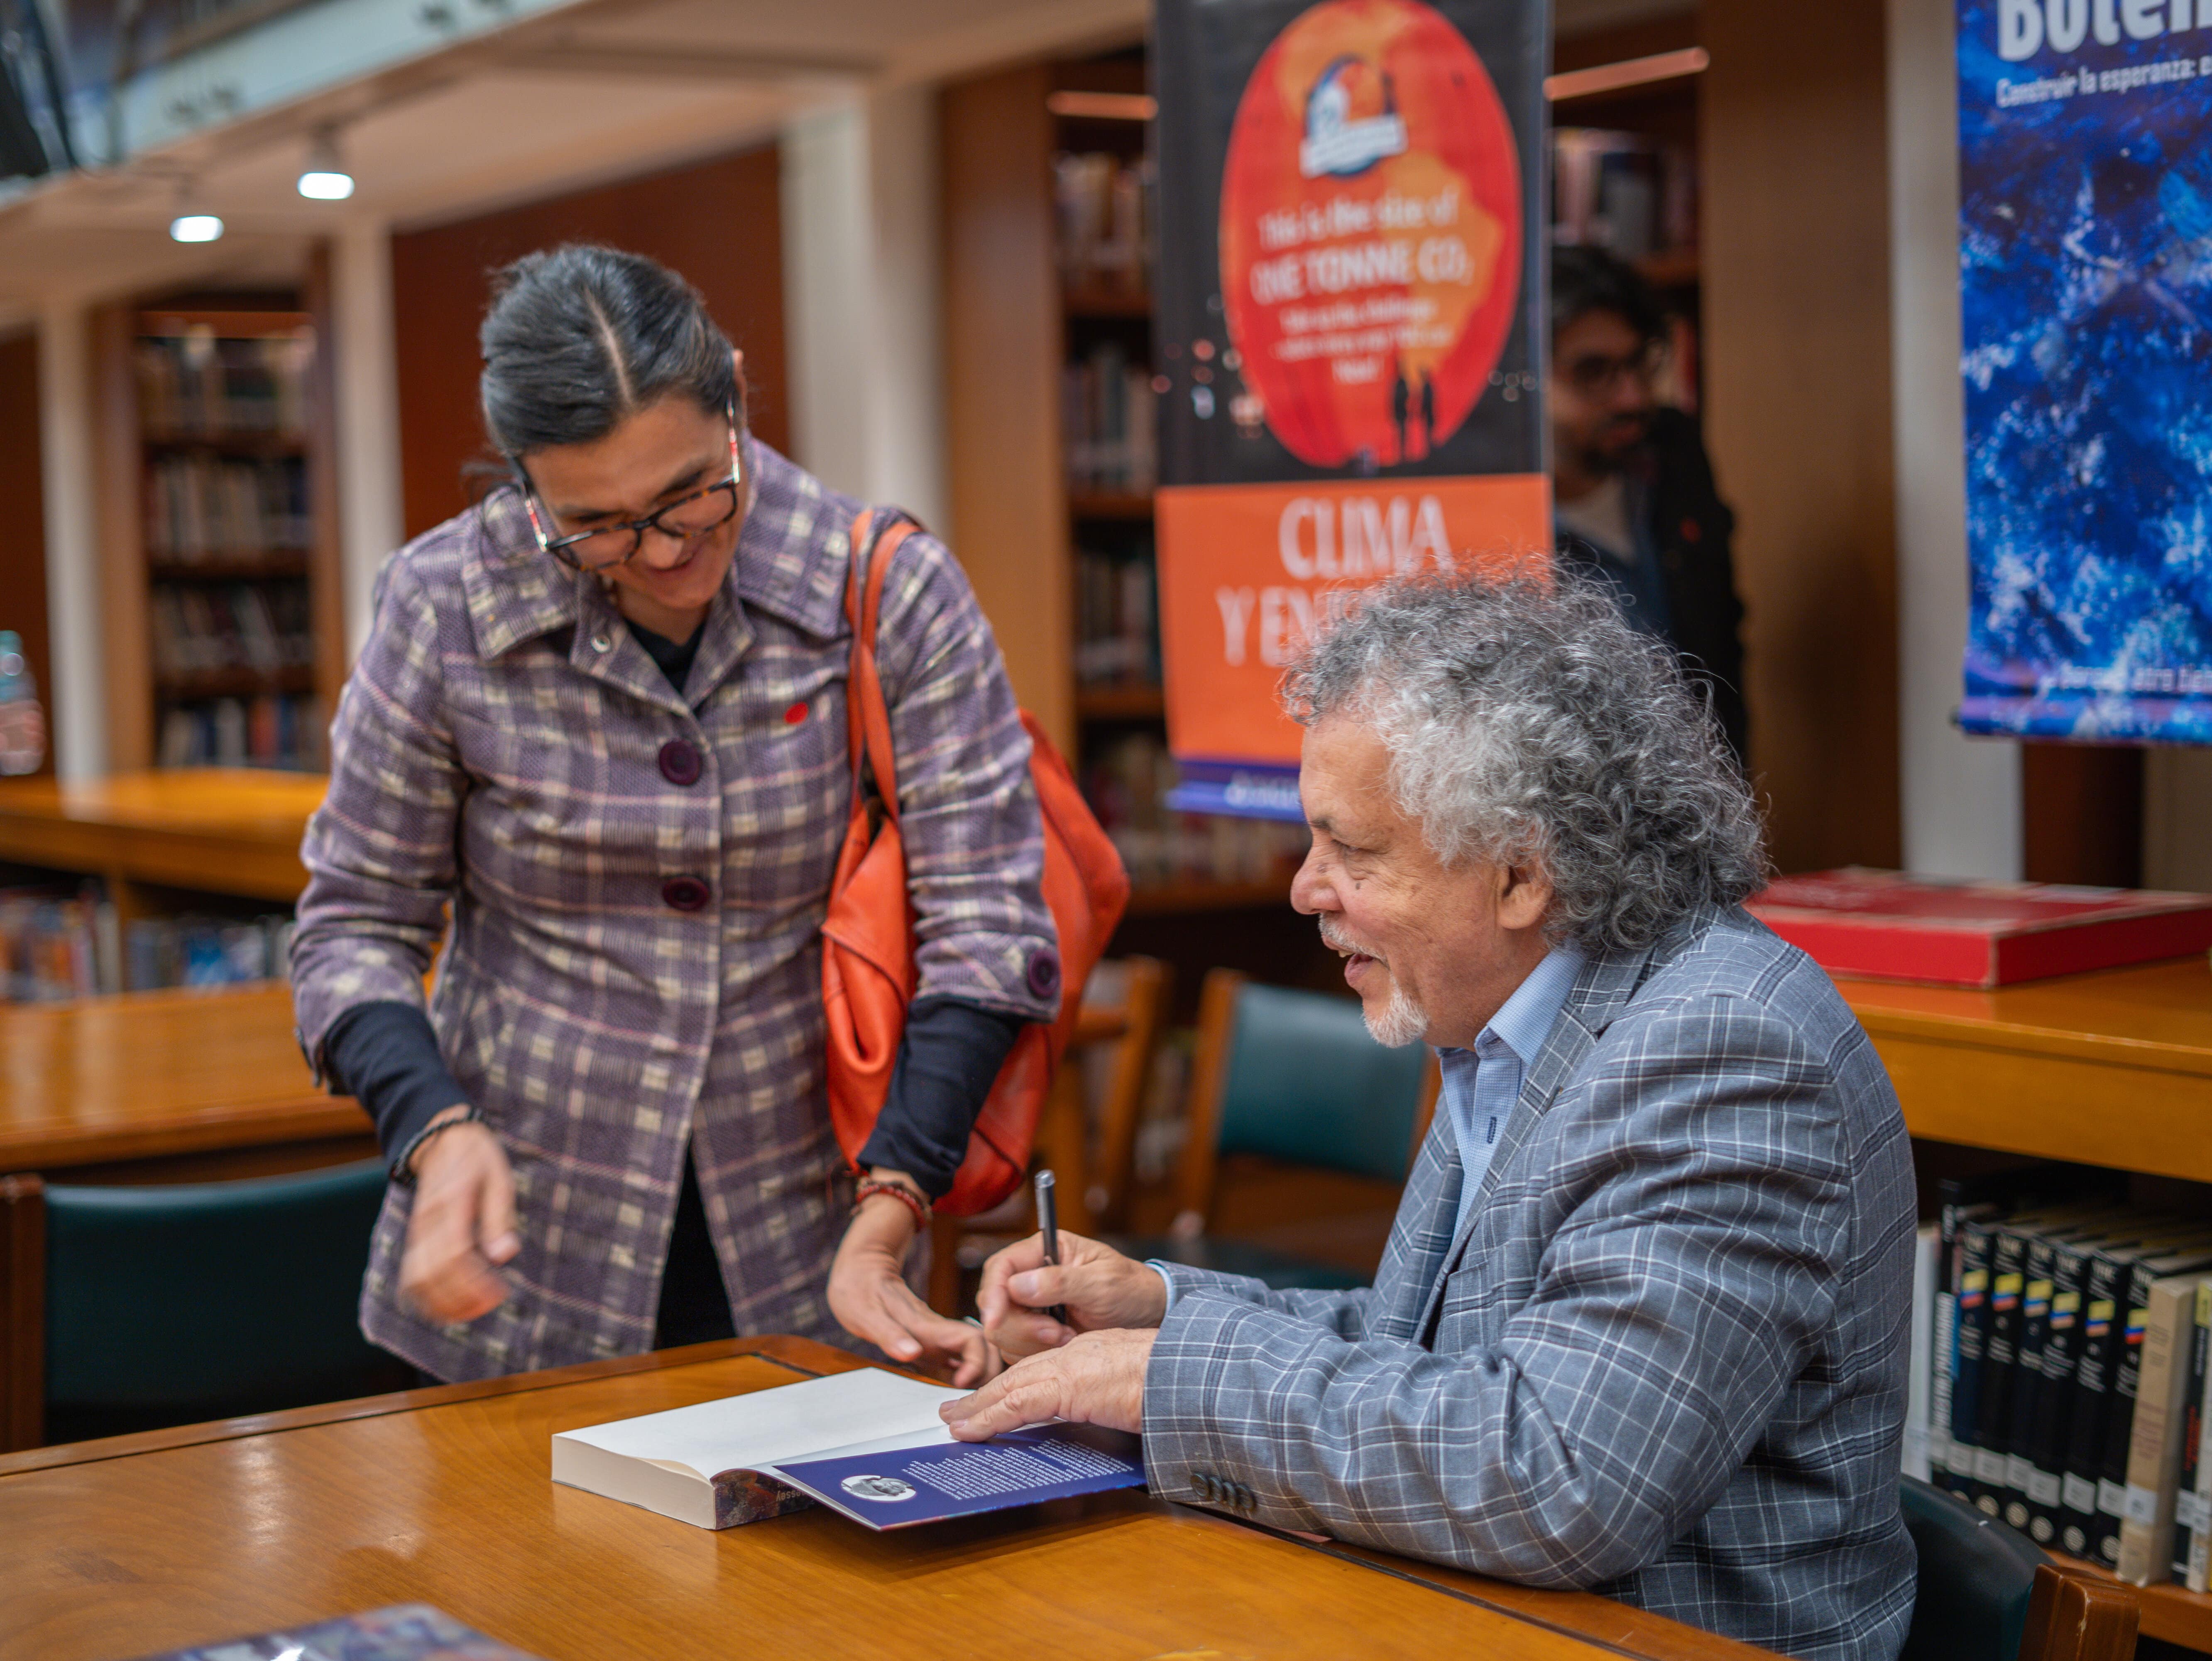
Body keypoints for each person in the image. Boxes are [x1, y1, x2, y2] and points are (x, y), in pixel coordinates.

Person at [942, 574, 1917, 1661]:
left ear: (1521, 874)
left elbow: (1562, 1475)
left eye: (1352, 851)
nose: (1306, 890)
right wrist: (1156, 1314)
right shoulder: (1509, 1014)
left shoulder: (1725, 1048)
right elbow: (1435, 1354)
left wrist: (1163, 1378)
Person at [290, 245, 1063, 1387]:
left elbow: (988, 925)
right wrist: (434, 1130)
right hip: (520, 1253)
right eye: (596, 525)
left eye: (693, 493)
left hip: (813, 1235)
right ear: (525, 486)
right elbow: (353, 925)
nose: (662, 552)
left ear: (735, 393)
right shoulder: (443, 604)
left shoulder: (887, 587)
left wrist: (894, 1201)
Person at [1549, 245, 1748, 764]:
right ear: (1522, 377)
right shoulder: (1490, 515)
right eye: (1593, 371)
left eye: (1639, 363)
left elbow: (1719, 644)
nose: (1632, 398)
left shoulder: (1673, 452)